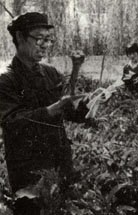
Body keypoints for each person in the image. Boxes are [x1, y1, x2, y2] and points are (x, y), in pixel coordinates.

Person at [0, 12, 89, 214]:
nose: (45, 45)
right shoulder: (6, 80)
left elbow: (68, 112)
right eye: (39, 38)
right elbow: (12, 123)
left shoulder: (50, 73)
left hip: (59, 159)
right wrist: (53, 109)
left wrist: (86, 107)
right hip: (27, 169)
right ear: (20, 38)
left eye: (48, 40)